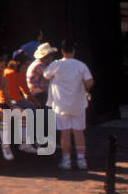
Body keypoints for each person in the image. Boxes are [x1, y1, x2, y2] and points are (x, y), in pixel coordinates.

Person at [45, 41, 94, 171]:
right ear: (74, 51)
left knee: (65, 133)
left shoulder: (56, 65)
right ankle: (81, 160)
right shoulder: (81, 65)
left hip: (61, 104)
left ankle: (66, 160)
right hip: (78, 103)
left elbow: (46, 75)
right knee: (78, 132)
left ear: (62, 51)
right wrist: (84, 88)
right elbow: (89, 81)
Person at [26, 42, 56, 108]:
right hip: (37, 94)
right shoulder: (39, 66)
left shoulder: (38, 64)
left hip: (38, 93)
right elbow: (51, 77)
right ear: (47, 57)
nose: (52, 58)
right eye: (50, 56)